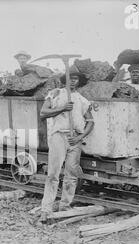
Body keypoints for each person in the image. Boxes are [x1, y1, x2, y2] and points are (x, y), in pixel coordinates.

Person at [39, 66, 94, 221]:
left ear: (78, 82)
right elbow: (43, 113)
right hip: (59, 137)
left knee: (71, 175)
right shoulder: (55, 94)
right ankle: (46, 209)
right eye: (70, 79)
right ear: (65, 81)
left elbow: (90, 122)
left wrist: (80, 137)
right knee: (53, 174)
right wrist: (63, 108)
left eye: (75, 79)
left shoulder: (82, 100)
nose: (72, 82)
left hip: (74, 139)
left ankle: (65, 207)